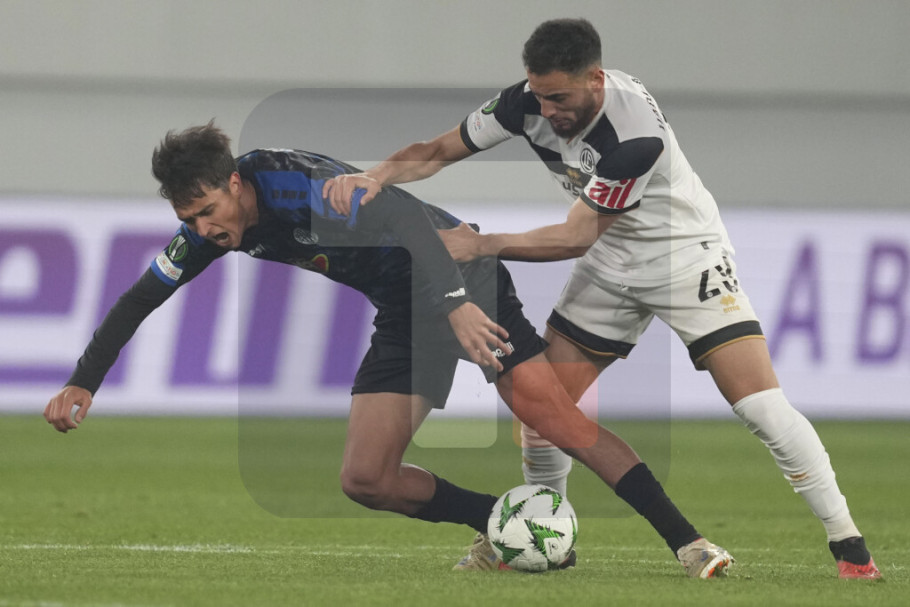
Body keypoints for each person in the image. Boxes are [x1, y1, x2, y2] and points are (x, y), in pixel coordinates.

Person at [43, 122, 733, 578]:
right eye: (187, 219)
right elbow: (142, 295)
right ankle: (507, 523)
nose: (202, 229)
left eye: (206, 212)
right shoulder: (208, 231)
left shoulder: (299, 188)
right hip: (405, 311)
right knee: (366, 478)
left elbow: (404, 216)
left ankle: (688, 541)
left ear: (233, 184)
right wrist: (84, 380)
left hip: (460, 276)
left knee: (553, 419)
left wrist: (457, 305)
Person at [323, 19, 880, 580]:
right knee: (545, 416)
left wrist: (481, 243)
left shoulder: (633, 136)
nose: (548, 111)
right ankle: (543, 541)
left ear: (595, 79)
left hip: (685, 259)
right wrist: (378, 176)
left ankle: (850, 547)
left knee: (761, 407)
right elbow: (440, 148)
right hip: (610, 265)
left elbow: (574, 237)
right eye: (540, 95)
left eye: (560, 99)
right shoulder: (525, 101)